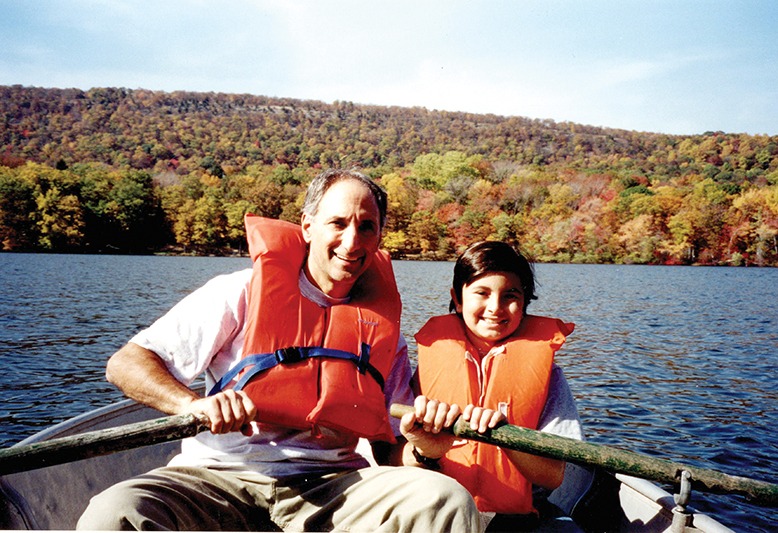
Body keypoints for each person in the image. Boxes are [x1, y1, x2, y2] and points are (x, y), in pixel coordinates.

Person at [77, 169, 480, 531]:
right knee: (114, 512)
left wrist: (425, 452)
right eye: (337, 223)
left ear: (379, 237)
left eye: (367, 227)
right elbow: (126, 364)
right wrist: (190, 405)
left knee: (443, 500)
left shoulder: (382, 332)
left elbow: (390, 452)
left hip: (334, 487)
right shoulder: (241, 291)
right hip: (219, 477)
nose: (352, 241)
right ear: (307, 226)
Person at [411, 241, 586, 531]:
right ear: (457, 299)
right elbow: (400, 459)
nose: (495, 307)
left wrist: (505, 436)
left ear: (525, 302)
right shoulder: (425, 368)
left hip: (518, 518)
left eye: (510, 295)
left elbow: (553, 476)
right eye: (482, 293)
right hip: (442, 507)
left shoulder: (551, 378)